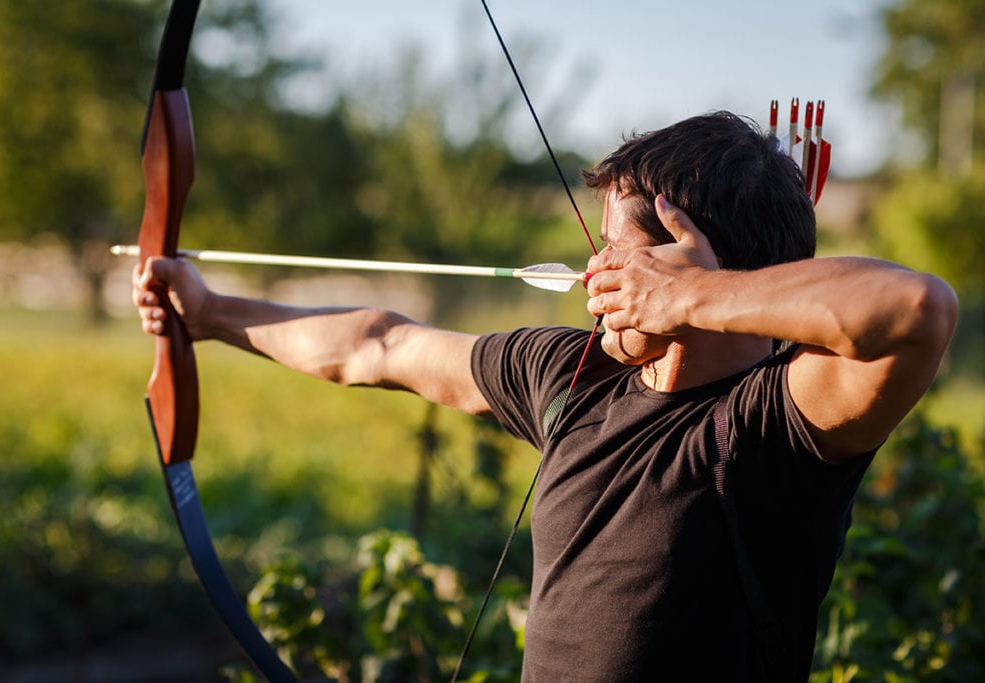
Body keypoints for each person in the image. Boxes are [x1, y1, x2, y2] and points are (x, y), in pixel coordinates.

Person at [132, 112, 958, 681]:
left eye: (617, 251)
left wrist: (691, 300)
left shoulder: (776, 423)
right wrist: (208, 314)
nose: (595, 272)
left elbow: (918, 310)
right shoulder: (571, 376)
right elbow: (376, 345)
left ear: (685, 263)